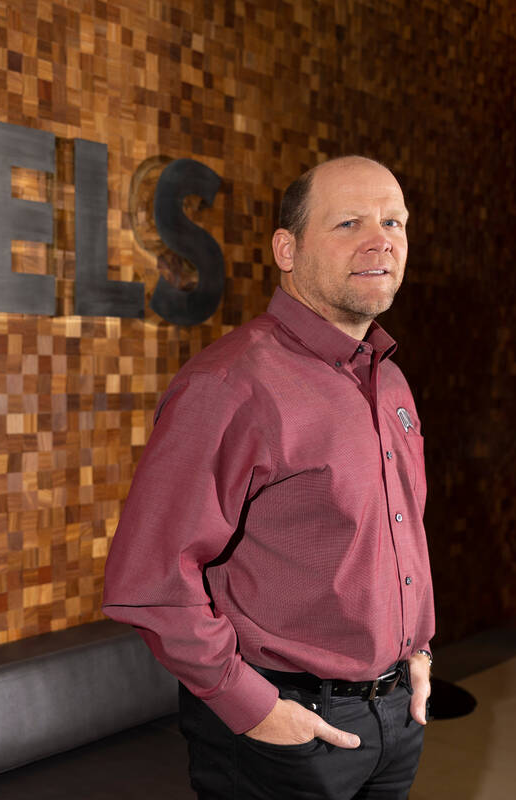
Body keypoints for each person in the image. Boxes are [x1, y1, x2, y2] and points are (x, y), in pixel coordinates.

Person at [102, 156, 434, 799]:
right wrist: (250, 704)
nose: (381, 240)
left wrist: (418, 650)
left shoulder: (388, 378)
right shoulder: (230, 384)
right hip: (285, 733)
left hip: (396, 718)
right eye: (348, 223)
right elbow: (149, 580)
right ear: (287, 248)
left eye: (394, 221)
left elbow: (397, 537)